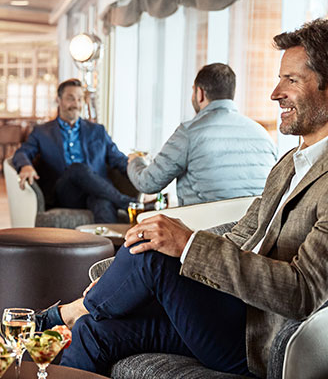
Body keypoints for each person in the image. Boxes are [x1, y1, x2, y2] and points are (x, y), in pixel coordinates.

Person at [34, 19, 328, 377]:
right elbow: (240, 234)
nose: (274, 92)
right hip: (228, 308)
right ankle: (82, 313)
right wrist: (181, 265)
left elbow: (303, 292)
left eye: (291, 80)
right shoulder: (288, 162)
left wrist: (187, 244)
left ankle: (66, 312)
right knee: (93, 332)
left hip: (257, 339)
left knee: (153, 249)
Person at [127, 63, 277, 206]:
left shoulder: (189, 133)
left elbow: (148, 183)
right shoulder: (262, 135)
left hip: (204, 229)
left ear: (200, 93)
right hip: (253, 230)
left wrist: (136, 161)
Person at [12, 79, 136, 223]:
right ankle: (127, 203)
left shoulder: (97, 131)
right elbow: (22, 152)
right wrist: (25, 166)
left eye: (80, 99)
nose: (76, 104)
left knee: (104, 203)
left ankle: (110, 245)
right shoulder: (42, 132)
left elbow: (118, 159)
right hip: (65, 194)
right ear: (59, 100)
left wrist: (140, 171)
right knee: (77, 169)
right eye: (70, 98)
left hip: (96, 191)